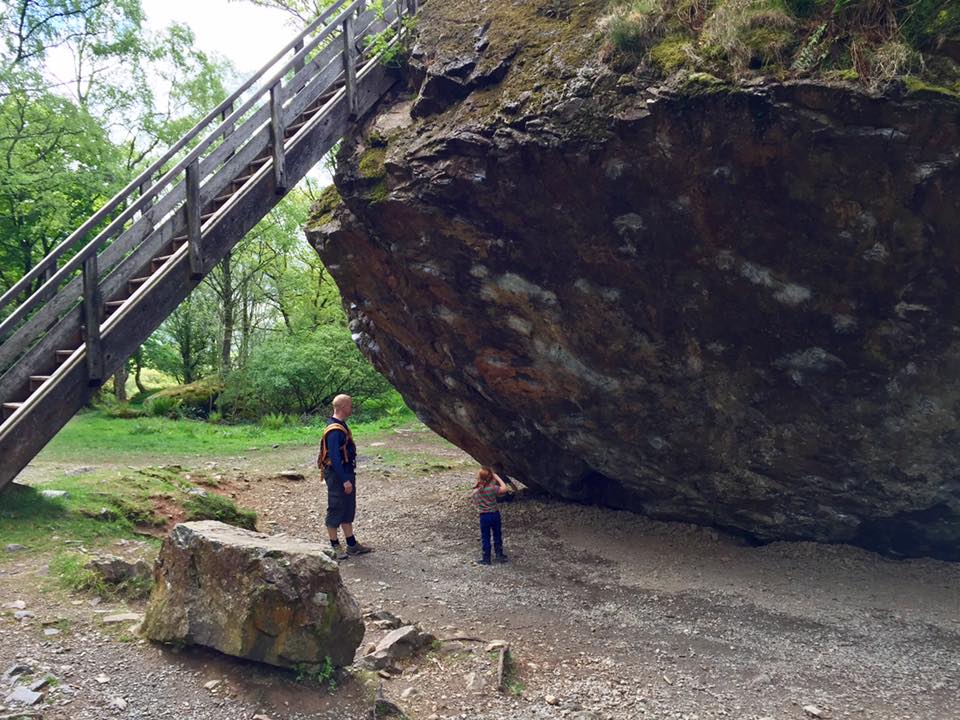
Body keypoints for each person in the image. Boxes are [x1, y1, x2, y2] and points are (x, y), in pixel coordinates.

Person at [318, 394, 372, 560]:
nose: (352, 408)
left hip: (346, 471)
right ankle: (334, 545)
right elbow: (334, 457)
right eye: (350, 405)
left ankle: (351, 544)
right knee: (336, 507)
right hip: (337, 474)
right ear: (342, 407)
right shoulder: (334, 430)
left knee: (348, 507)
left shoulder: (341, 425)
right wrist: (345, 480)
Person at [473, 467, 509, 565]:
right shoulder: (493, 488)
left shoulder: (476, 490)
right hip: (494, 514)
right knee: (497, 534)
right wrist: (497, 477)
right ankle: (499, 554)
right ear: (491, 477)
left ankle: (486, 558)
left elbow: (476, 490)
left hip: (484, 516)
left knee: (485, 537)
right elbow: (504, 489)